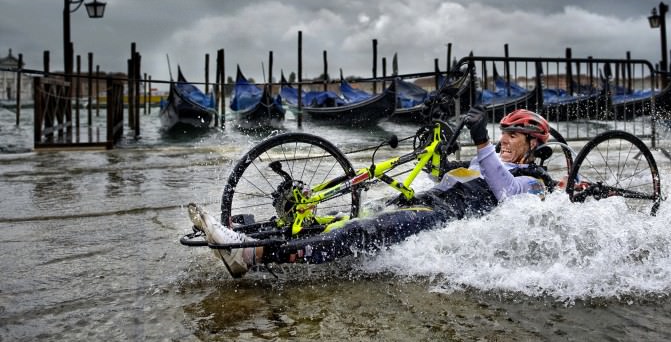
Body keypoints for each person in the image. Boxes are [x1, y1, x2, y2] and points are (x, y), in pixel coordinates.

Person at [187, 106, 552, 277]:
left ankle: (255, 255)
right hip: (425, 202)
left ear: (533, 144)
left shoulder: (532, 181)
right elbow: (453, 176)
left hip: (442, 217)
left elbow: (505, 193)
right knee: (336, 219)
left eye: (513, 137)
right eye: (502, 135)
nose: (504, 142)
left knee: (365, 232)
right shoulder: (488, 162)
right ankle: (249, 230)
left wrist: (482, 140)